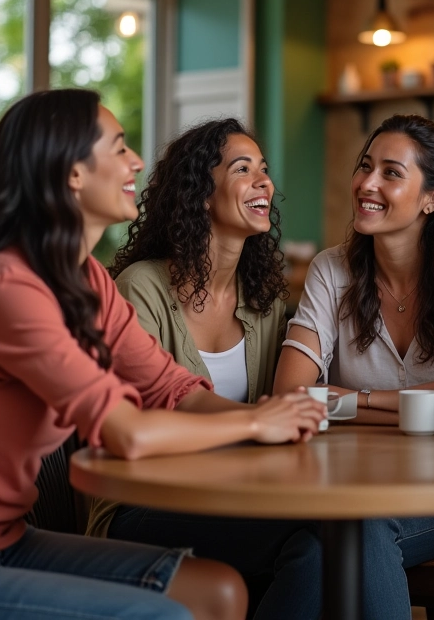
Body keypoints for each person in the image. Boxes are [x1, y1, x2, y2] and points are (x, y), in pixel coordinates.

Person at [0, 89, 324, 620]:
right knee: (167, 614)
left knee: (219, 591)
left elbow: (170, 389)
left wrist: (271, 417)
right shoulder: (8, 285)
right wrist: (253, 425)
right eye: (118, 148)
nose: (135, 161)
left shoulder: (85, 279)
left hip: (9, 536)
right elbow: (127, 432)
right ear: (72, 174)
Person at [273, 113, 434, 620]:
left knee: (352, 528)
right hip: (349, 485)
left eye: (391, 172)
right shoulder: (331, 269)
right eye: (365, 166)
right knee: (317, 549)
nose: (367, 183)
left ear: (433, 198)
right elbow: (288, 397)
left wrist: (352, 401)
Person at [87, 118, 322, 620]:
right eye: (244, 169)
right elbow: (142, 423)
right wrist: (258, 423)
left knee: (327, 545)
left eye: (265, 170)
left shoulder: (265, 302)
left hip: (244, 497)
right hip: (147, 503)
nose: (265, 183)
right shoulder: (142, 289)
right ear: (199, 193)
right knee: (321, 541)